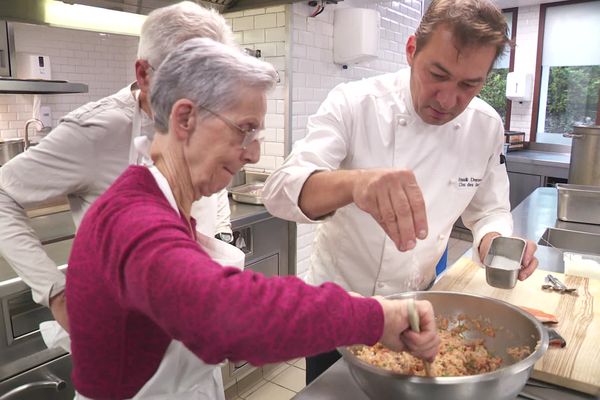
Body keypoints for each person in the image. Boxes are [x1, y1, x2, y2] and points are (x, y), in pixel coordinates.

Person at [66, 38, 440, 400]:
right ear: (185, 118)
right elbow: (225, 313)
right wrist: (377, 317)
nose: (255, 154)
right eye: (246, 129)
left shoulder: (165, 204)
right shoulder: (132, 217)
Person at [262, 0, 540, 384]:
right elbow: (280, 191)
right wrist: (355, 184)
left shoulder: (486, 126)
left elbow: (488, 211)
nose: (447, 100)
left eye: (468, 85)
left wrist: (498, 245)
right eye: (437, 74)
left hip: (417, 308)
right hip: (341, 308)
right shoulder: (355, 102)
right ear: (411, 51)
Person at [0, 1, 235, 333]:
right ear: (143, 74)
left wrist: (222, 234)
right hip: (124, 335)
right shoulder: (99, 130)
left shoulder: (212, 118)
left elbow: (212, 188)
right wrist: (54, 291)